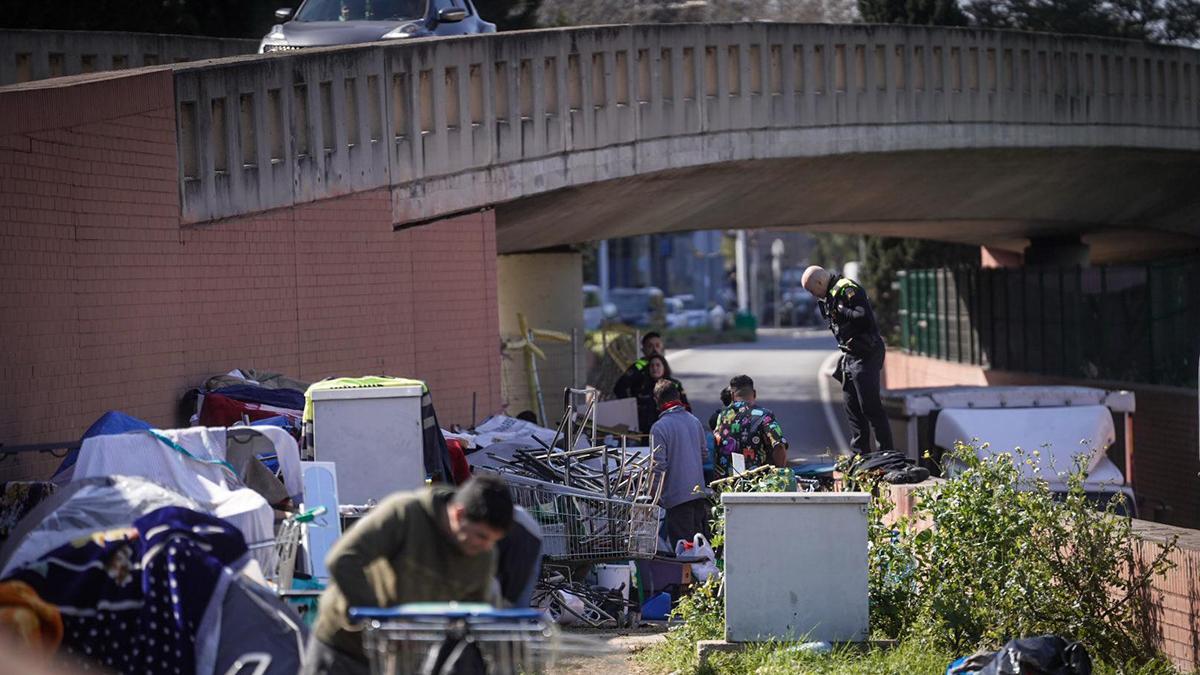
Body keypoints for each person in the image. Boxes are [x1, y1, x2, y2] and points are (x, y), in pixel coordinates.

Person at [304, 475, 514, 675]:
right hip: (345, 646)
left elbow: (474, 613)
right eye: (481, 536)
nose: (486, 546)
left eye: (494, 540)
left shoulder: (484, 555)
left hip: (407, 658)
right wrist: (381, 622)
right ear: (458, 514)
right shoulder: (405, 513)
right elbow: (343, 558)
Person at [801, 265, 895, 454]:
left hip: (866, 353)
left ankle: (886, 453)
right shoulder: (829, 296)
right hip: (850, 355)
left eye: (812, 290)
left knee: (870, 406)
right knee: (852, 406)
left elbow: (863, 317)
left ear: (819, 282)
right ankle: (860, 454)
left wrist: (842, 309)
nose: (813, 295)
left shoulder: (847, 289)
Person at [649, 379, 711, 546]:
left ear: (657, 400)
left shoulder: (659, 428)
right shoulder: (694, 421)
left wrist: (652, 494)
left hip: (676, 499)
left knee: (684, 550)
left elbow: (658, 466)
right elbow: (704, 455)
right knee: (700, 547)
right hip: (698, 495)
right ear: (678, 397)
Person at [712, 375, 788, 476]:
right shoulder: (764, 415)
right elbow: (779, 446)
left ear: (732, 395)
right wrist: (780, 473)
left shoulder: (722, 416)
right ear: (754, 393)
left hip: (726, 482)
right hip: (757, 481)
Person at [635, 354, 690, 434]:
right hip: (648, 432)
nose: (655, 368)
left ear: (664, 367)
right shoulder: (642, 388)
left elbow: (686, 408)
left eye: (658, 365)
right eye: (652, 366)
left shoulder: (674, 385)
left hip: (670, 430)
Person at [612, 332, 665, 401]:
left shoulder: (664, 364)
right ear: (643, 350)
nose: (654, 349)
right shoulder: (638, 366)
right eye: (650, 346)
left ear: (662, 348)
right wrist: (631, 404)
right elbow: (619, 388)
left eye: (657, 345)